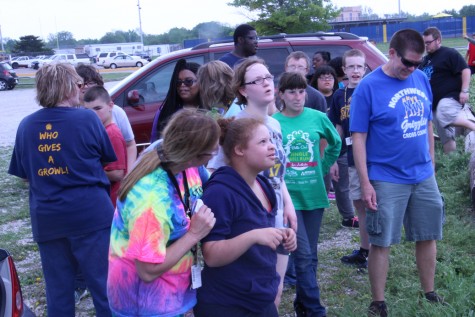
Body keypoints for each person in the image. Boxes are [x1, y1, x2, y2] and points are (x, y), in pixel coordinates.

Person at [350, 29, 445, 317]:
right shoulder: (368, 87)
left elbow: (427, 122)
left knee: (428, 234)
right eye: (407, 62)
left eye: (418, 63)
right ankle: (378, 302)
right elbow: (359, 138)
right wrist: (366, 183)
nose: (412, 68)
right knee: (381, 240)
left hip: (422, 174)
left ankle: (429, 292)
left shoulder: (419, 78)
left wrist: (430, 161)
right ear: (391, 53)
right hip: (386, 176)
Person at [8, 63, 116, 316]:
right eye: (77, 85)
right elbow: (105, 159)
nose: (80, 89)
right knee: (104, 287)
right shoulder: (88, 118)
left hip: (49, 219)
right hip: (90, 215)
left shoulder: (26, 125)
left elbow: (24, 176)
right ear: (67, 87)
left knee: (58, 292)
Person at [107, 109, 218, 317]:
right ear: (193, 154)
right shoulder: (151, 200)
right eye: (211, 154)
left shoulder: (169, 153)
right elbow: (147, 271)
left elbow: (208, 181)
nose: (214, 157)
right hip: (144, 305)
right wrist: (194, 234)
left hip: (171, 296)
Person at [207, 57, 297, 310]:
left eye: (269, 77)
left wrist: (287, 204)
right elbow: (214, 172)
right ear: (243, 90)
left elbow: (278, 174)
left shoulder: (275, 124)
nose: (267, 83)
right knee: (257, 290)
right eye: (258, 80)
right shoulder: (237, 126)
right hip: (248, 221)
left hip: (275, 210)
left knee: (275, 287)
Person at [194, 117, 297, 317]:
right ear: (239, 150)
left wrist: (282, 234)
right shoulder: (220, 193)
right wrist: (254, 236)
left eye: (271, 140)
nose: (272, 147)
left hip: (259, 298)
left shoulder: (263, 184)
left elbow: (259, 230)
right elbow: (211, 255)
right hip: (227, 304)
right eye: (262, 142)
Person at [274, 71, 341, 317]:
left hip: (314, 195)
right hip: (288, 199)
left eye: (301, 91)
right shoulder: (273, 121)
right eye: (292, 91)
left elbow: (335, 143)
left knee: (310, 254)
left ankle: (302, 304)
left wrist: (323, 166)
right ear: (281, 94)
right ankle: (314, 309)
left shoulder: (317, 117)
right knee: (301, 253)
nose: (298, 96)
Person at [328, 49, 370, 268]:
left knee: (372, 203)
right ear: (344, 70)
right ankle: (365, 250)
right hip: (351, 157)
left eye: (359, 66)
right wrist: (334, 158)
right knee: (359, 204)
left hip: (372, 158)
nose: (355, 71)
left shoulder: (371, 90)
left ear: (365, 68)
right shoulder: (339, 95)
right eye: (351, 66)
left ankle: (376, 250)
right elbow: (337, 129)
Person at [419, 26, 475, 154]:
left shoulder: (449, 53)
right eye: (424, 43)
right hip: (434, 104)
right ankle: (451, 159)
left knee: (443, 111)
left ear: (438, 40)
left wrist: (464, 91)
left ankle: (472, 126)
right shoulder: (426, 61)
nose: (426, 46)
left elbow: (465, 70)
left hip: (450, 97)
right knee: (445, 136)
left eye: (428, 43)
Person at [76, 64, 137, 173]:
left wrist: (129, 174)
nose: (85, 87)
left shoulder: (116, 111)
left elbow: (130, 144)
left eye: (90, 83)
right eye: (81, 83)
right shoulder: (72, 115)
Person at [84, 86, 127, 208]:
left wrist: (88, 170)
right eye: (89, 110)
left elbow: (117, 173)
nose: (94, 114)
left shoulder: (112, 134)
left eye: (98, 108)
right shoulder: (102, 132)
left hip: (113, 201)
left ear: (110, 106)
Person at [151, 59, 201, 141]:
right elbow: (154, 142)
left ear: (200, 82)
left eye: (188, 81)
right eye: (178, 82)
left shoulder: (211, 109)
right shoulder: (165, 111)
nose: (182, 85)